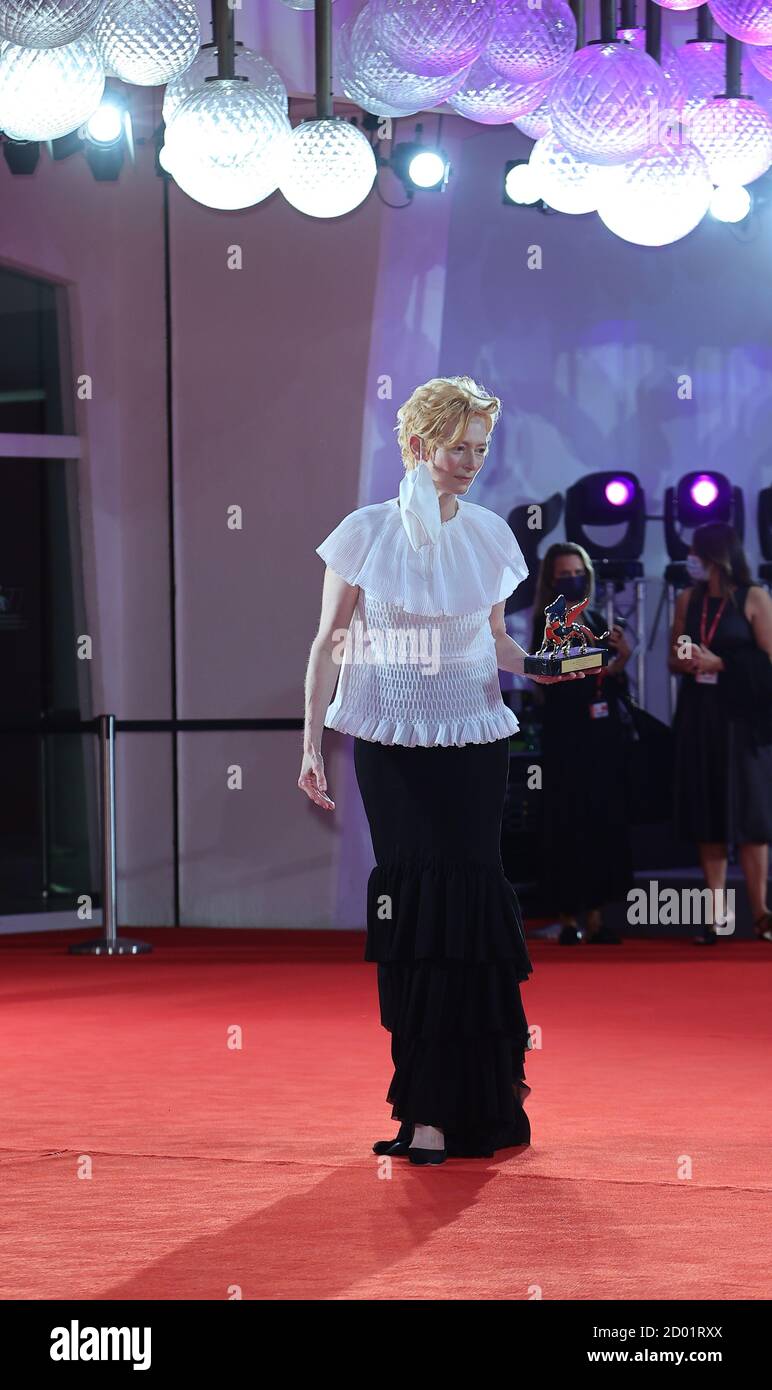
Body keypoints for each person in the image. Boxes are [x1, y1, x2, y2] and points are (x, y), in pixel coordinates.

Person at [299, 376, 585, 1165]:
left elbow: (495, 642)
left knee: (471, 903)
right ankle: (423, 1111)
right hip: (389, 745)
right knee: (414, 910)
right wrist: (309, 744)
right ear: (420, 443)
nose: (471, 461)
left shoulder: (492, 535)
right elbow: (328, 644)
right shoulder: (362, 534)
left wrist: (540, 668)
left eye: (482, 449)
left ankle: (482, 1105)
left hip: (473, 742)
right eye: (458, 447)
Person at [669, 522, 772, 944]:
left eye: (697, 552)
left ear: (715, 555)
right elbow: (673, 658)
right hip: (700, 717)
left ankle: (762, 911)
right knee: (708, 815)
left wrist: (723, 665)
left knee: (751, 817)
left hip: (743, 721)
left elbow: (768, 663)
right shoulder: (687, 599)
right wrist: (689, 659)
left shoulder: (753, 596)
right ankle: (716, 915)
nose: (692, 560)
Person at [529, 543, 635, 945]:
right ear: (551, 580)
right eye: (563, 574)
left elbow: (603, 677)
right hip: (565, 739)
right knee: (566, 822)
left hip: (600, 743)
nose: (572, 579)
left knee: (599, 823)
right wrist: (599, 659)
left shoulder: (591, 617)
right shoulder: (547, 621)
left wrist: (620, 657)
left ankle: (594, 914)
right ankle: (566, 916)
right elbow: (554, 671)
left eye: (577, 572)